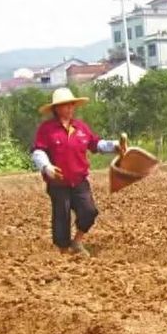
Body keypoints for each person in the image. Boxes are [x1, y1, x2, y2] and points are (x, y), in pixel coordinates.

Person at [30, 87, 125, 258]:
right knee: (62, 217)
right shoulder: (47, 129)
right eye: (66, 105)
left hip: (79, 180)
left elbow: (96, 144)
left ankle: (77, 241)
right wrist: (46, 167)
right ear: (56, 108)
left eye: (72, 104)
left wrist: (115, 146)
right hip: (58, 182)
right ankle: (63, 252)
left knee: (89, 211)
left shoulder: (80, 127)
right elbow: (38, 151)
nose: (70, 108)